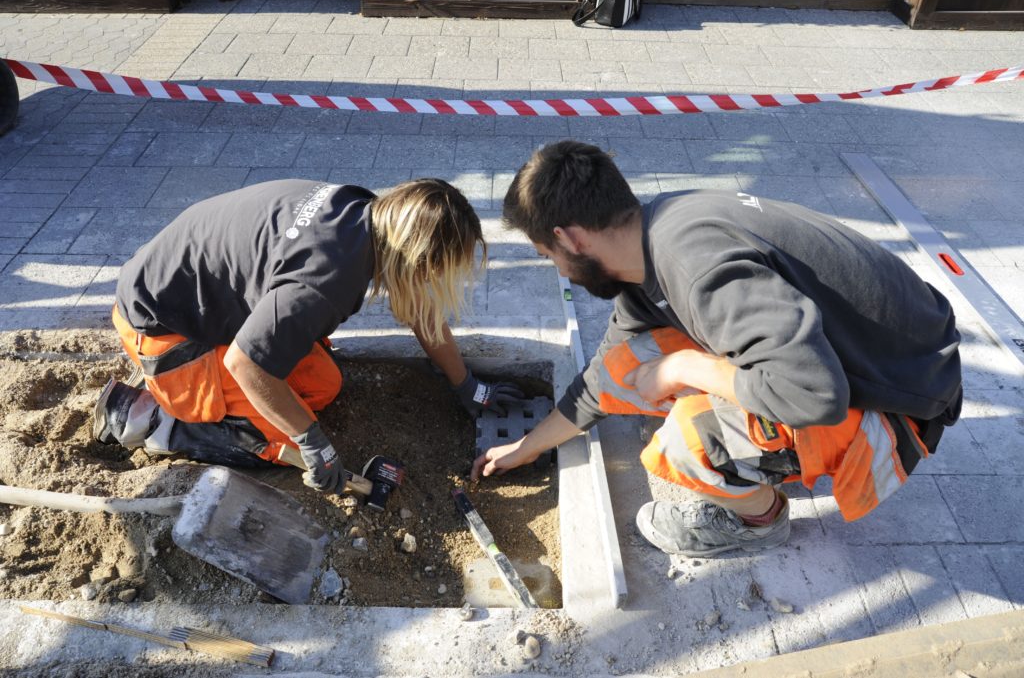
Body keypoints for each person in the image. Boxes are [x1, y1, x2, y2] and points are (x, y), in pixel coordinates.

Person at [472, 141, 963, 557]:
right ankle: (744, 445)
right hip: (885, 349)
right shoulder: (653, 238)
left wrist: (687, 366)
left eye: (548, 255)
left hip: (903, 398)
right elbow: (605, 376)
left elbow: (817, 395)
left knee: (687, 440)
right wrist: (526, 447)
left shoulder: (696, 270)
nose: (558, 272)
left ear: (570, 238)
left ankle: (760, 521)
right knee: (632, 363)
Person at [94, 178, 523, 494]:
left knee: (321, 385)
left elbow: (420, 310)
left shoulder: (365, 215)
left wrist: (467, 385)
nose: (431, 282)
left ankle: (187, 405)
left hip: (196, 302)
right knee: (280, 436)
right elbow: (244, 363)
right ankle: (155, 422)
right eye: (432, 270)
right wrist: (314, 444)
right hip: (165, 333)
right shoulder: (326, 279)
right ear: (415, 255)